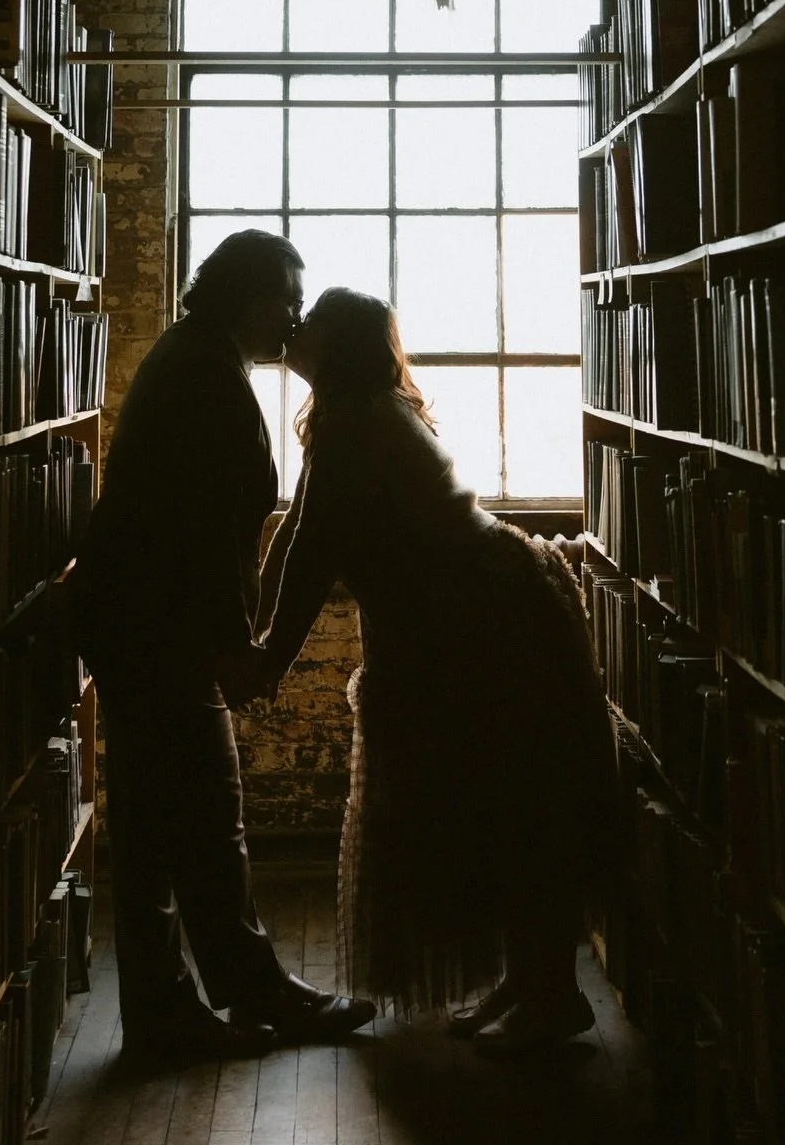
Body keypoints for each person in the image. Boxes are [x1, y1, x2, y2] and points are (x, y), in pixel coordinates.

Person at [254, 287, 621, 1052]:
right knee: (496, 805)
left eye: (311, 322)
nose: (295, 328)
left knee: (510, 806)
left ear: (340, 346)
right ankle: (530, 984)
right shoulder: (356, 415)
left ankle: (551, 996)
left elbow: (314, 553)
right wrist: (258, 631)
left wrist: (266, 660)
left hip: (484, 627)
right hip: (468, 620)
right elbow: (296, 533)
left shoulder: (359, 423)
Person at [70, 231, 377, 1060]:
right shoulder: (204, 377)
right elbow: (200, 535)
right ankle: (250, 994)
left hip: (142, 628)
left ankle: (172, 1010)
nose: (296, 316)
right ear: (247, 293)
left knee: (153, 827)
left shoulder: (197, 360)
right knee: (208, 814)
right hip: (165, 633)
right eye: (286, 296)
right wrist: (234, 648)